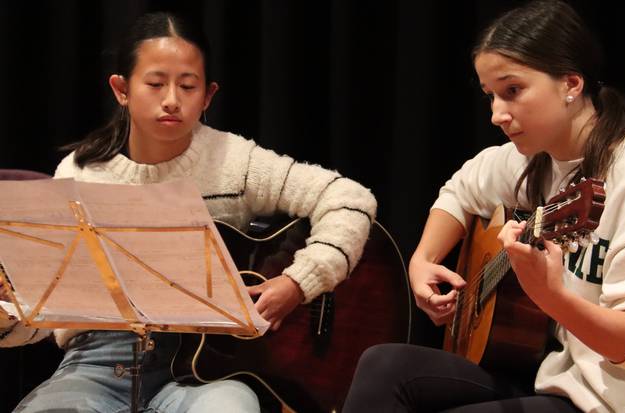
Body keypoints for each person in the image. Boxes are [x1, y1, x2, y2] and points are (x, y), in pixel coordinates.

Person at [341, 1, 625, 412]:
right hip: (555, 379)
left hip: (617, 403)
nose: (496, 115)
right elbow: (462, 188)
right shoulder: (540, 157)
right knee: (383, 365)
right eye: (490, 96)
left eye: (513, 91)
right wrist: (423, 259)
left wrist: (553, 298)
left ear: (571, 84)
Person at [0, 11, 376, 413]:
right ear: (121, 89)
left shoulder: (235, 161)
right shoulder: (78, 172)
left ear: (209, 95)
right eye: (156, 84)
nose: (172, 100)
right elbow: (46, 308)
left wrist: (299, 282)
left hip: (207, 374)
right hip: (95, 362)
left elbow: (351, 200)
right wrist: (9, 317)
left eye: (188, 86)